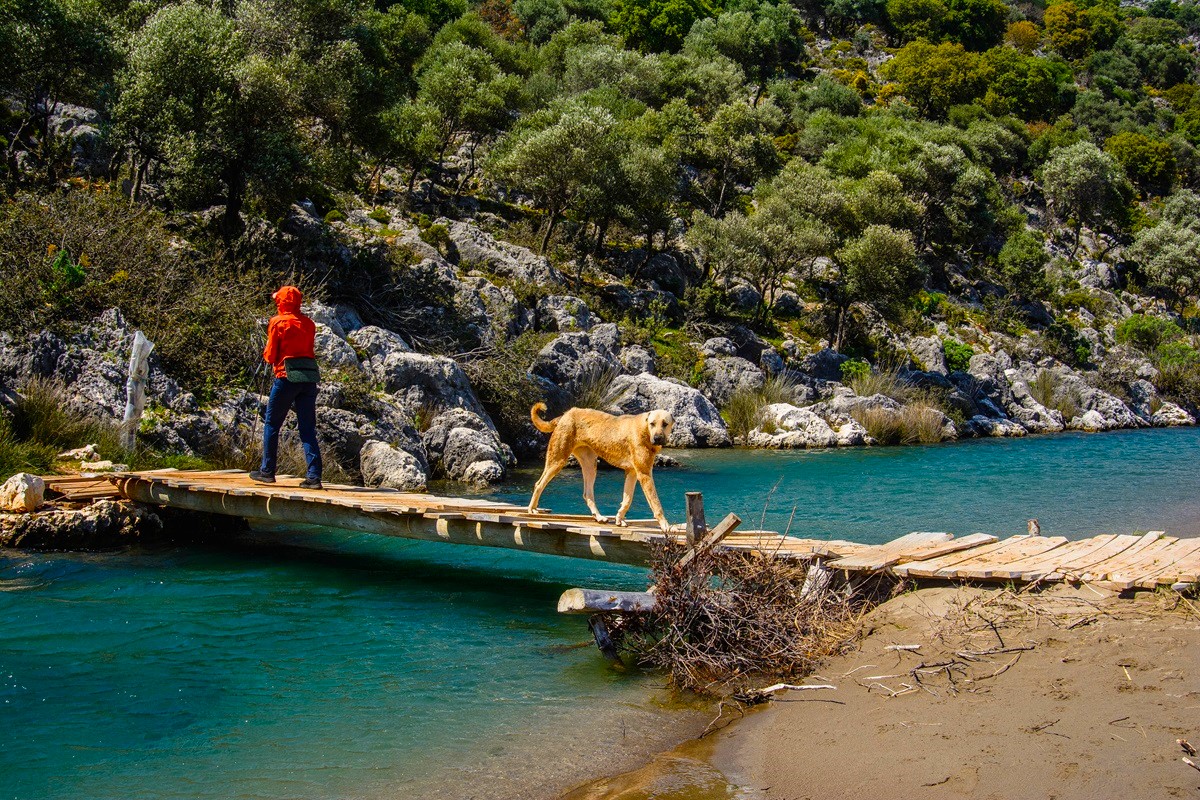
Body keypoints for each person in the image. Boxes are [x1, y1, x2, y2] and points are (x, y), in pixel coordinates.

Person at [250, 285, 324, 489]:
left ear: (281, 302)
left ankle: (267, 471)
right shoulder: (309, 323)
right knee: (307, 428)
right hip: (308, 378)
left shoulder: (277, 322)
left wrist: (267, 355)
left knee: (272, 424)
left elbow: (270, 355)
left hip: (286, 377)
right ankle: (314, 476)